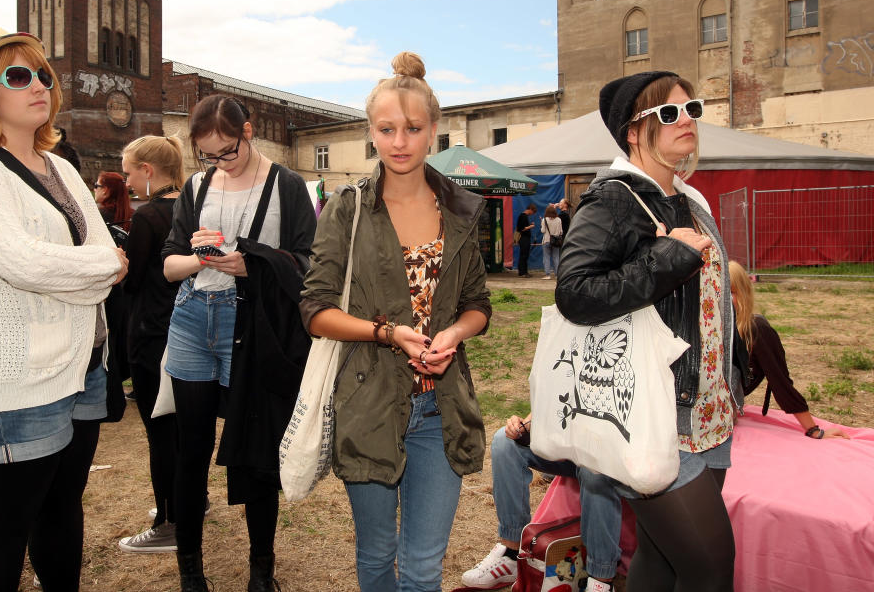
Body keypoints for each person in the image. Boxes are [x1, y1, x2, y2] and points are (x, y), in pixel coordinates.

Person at [0, 26, 127, 592]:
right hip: (19, 379)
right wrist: (99, 268)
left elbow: (89, 258)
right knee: (6, 528)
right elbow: (25, 263)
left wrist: (93, 268)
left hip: (83, 366)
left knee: (63, 509)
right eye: (19, 76)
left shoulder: (60, 167)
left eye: (44, 73)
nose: (38, 85)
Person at [301, 51, 492, 592]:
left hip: (442, 407)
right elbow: (314, 310)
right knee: (377, 557)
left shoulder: (461, 209)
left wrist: (454, 333)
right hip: (369, 402)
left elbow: (478, 302)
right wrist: (387, 333)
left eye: (412, 128)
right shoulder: (347, 208)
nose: (400, 141)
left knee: (425, 567)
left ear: (434, 130)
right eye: (387, 129)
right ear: (372, 133)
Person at [556, 71, 746, 592]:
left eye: (692, 109)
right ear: (633, 132)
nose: (686, 120)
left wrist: (735, 373)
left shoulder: (689, 200)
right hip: (656, 414)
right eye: (668, 113)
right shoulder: (614, 199)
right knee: (710, 567)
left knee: (661, 562)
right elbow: (574, 292)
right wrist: (666, 259)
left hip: (710, 410)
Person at [161, 95, 316, 592]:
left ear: (248, 132)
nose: (220, 162)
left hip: (249, 324)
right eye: (209, 155)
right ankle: (190, 570)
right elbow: (168, 265)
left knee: (256, 449)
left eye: (228, 150)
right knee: (191, 449)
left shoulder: (286, 184)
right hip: (192, 319)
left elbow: (310, 262)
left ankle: (261, 571)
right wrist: (200, 258)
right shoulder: (196, 186)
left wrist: (255, 263)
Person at [115, 136, 185, 553]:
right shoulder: (192, 208)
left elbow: (134, 279)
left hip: (152, 337)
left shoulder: (148, 217)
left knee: (161, 433)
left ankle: (169, 522)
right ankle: (187, 502)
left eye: (128, 174)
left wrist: (118, 265)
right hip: (187, 334)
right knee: (183, 430)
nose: (127, 183)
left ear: (147, 170)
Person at [461, 413, 623, 592]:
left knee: (594, 471)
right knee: (505, 442)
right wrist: (524, 424)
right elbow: (550, 400)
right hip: (567, 441)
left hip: (609, 449)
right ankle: (511, 554)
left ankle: (601, 581)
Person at [729, 260, 851, 440]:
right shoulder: (705, 325)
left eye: (730, 292)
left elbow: (780, 381)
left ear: (744, 293)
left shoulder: (756, 330)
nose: (721, 299)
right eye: (716, 292)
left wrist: (813, 429)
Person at [539, 203, 562, 280]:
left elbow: (542, 231)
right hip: (556, 241)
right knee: (556, 257)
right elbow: (561, 232)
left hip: (546, 240)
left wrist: (541, 224)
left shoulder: (544, 219)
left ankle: (548, 275)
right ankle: (557, 275)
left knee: (546, 257)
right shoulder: (559, 220)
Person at [516, 202, 536, 277]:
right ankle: (522, 272)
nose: (532, 213)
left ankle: (524, 271)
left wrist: (529, 225)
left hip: (524, 238)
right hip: (524, 238)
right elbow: (521, 229)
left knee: (524, 255)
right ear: (530, 209)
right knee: (524, 255)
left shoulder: (523, 216)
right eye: (533, 212)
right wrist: (531, 226)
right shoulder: (523, 216)